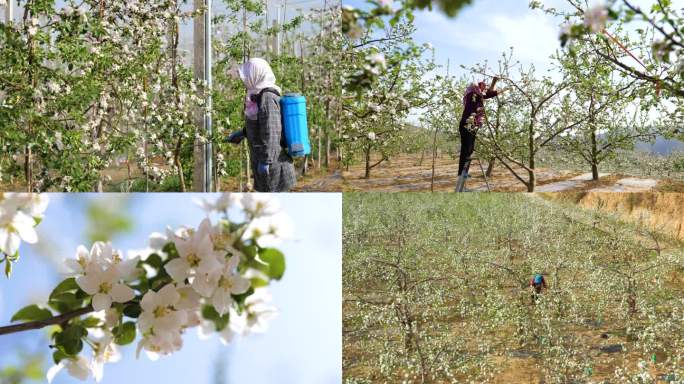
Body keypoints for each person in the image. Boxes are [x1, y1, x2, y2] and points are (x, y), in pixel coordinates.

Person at [227, 58, 297, 192]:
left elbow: (271, 131)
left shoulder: (267, 97)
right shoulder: (257, 95)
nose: (244, 80)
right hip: (266, 162)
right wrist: (244, 133)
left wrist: (266, 161)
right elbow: (262, 123)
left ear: (256, 74)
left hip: (274, 166)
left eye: (246, 75)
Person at [457, 78, 504, 178]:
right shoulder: (474, 94)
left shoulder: (476, 94)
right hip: (467, 124)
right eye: (483, 85)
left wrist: (500, 90)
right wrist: (501, 90)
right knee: (467, 149)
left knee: (470, 149)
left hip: (472, 125)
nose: (484, 87)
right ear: (477, 86)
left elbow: (487, 94)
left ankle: (463, 171)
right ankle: (462, 172)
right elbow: (487, 94)